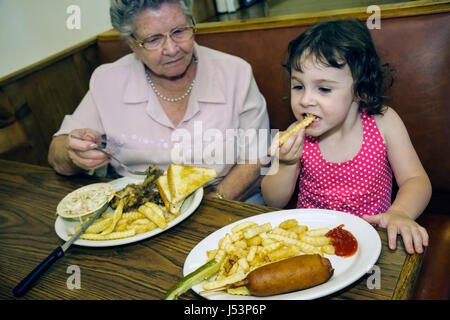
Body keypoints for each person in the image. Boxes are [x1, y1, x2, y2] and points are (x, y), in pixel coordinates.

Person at [48, 0, 270, 204]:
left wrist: (212, 203)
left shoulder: (235, 73)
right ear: (132, 44)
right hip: (142, 209)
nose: (172, 49)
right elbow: (58, 153)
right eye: (153, 39)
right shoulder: (108, 80)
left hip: (224, 200)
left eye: (179, 31)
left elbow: (257, 158)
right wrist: (73, 153)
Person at [261, 19, 431, 254]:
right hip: (311, 244)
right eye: (298, 86)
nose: (305, 100)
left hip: (373, 239)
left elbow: (416, 180)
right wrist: (287, 163)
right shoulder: (298, 133)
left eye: (324, 89)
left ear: (359, 90)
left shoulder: (383, 123)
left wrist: (400, 213)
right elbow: (272, 200)